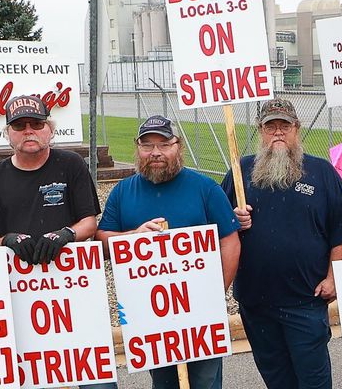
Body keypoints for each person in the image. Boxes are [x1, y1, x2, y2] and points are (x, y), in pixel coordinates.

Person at [222, 99, 342, 389]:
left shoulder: (322, 174)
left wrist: (334, 277)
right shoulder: (239, 173)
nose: (278, 133)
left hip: (305, 300)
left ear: (297, 129)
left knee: (313, 380)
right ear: (260, 130)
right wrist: (235, 220)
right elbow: (220, 233)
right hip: (255, 302)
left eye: (285, 126)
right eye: (271, 126)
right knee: (277, 379)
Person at [97, 115, 241, 389]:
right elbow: (102, 240)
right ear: (137, 149)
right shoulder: (123, 192)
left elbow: (230, 242)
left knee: (205, 382)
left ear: (179, 146)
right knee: (164, 383)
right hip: (148, 315)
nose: (155, 153)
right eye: (147, 145)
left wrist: (215, 292)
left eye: (164, 144)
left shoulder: (205, 188)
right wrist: (132, 236)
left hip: (200, 314)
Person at [0, 95, 100, 265]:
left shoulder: (71, 164)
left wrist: (67, 233)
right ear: (8, 134)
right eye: (19, 125)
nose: (28, 131)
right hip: (14, 274)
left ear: (51, 129)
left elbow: (89, 223)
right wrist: (6, 240)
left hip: (67, 270)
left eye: (37, 124)